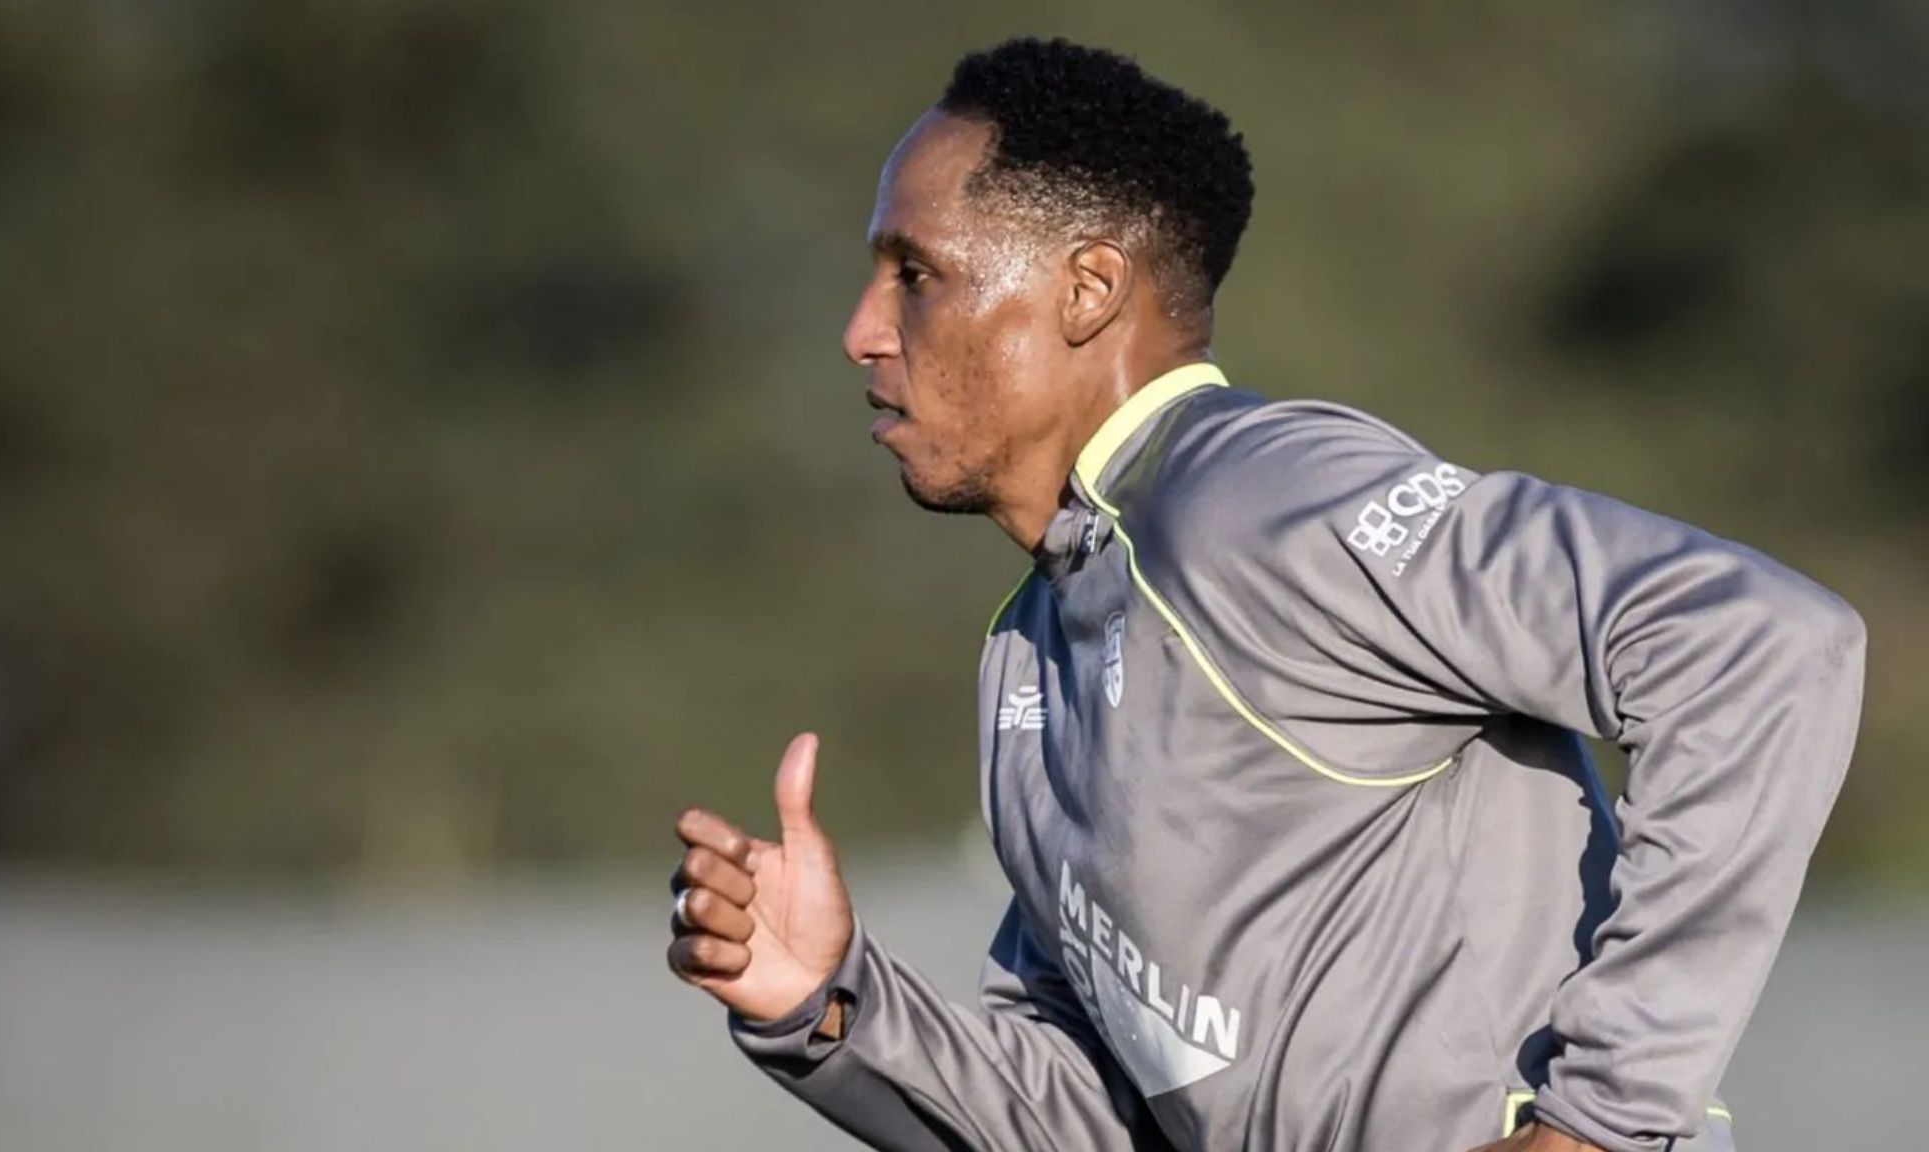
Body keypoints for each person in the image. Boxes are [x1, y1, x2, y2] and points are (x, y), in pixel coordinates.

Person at [663, 37, 1863, 1152]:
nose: (860, 330)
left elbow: (1756, 646)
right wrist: (827, 1010)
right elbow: (1093, 1113)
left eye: (915, 273)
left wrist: (1597, 1123)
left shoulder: (1254, 494)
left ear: (1086, 290)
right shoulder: (1028, 657)